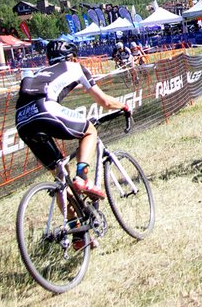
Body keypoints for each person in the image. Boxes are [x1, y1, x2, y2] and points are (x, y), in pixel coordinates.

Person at [15, 41, 132, 216]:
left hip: (22, 120)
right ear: (72, 57)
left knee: (61, 177)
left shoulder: (40, 73)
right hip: (44, 109)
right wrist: (123, 106)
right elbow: (104, 102)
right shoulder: (76, 67)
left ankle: (76, 233)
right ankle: (83, 177)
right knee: (90, 131)